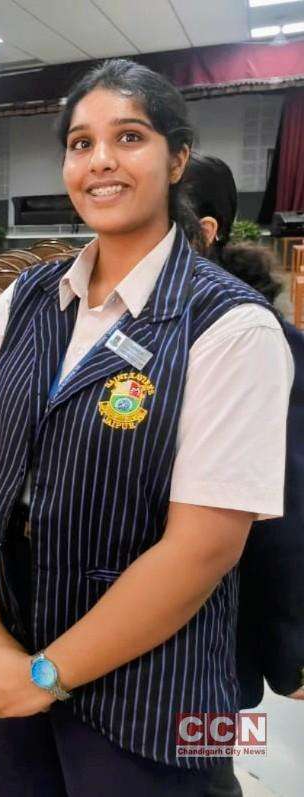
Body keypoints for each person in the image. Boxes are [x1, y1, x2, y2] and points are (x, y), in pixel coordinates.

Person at [0, 59, 293, 796]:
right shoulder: (30, 296)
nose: (100, 160)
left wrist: (48, 671)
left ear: (174, 159)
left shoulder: (229, 325)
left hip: (155, 692)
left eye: (128, 136)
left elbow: (204, 547)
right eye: (80, 142)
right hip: (12, 659)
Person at [183, 153, 304, 797]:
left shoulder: (260, 341)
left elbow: (286, 506)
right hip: (121, 634)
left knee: (206, 758)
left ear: (206, 232)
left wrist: (290, 645)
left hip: (219, 635)